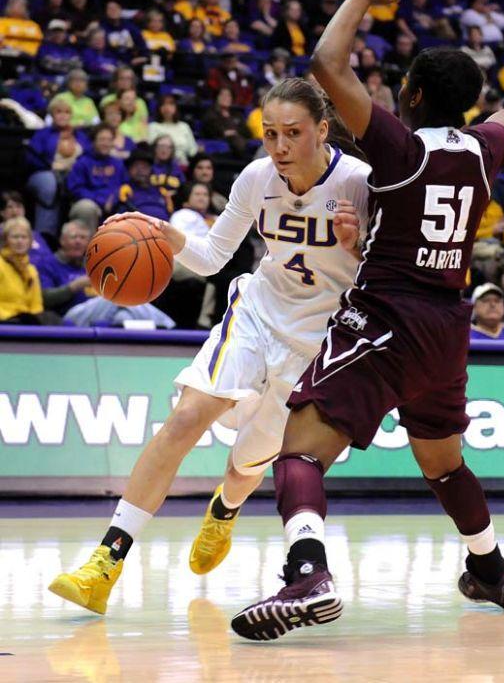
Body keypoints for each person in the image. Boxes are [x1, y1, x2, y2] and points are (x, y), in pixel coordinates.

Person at [228, 0, 504, 641]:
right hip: (447, 330)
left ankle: (308, 572)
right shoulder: (482, 149)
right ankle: (491, 567)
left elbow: (328, 64)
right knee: (443, 462)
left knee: (298, 453)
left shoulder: (401, 147)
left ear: (413, 95)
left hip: (385, 318)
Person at [48, 78, 371, 616]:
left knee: (248, 466)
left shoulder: (360, 183)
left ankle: (225, 510)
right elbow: (212, 258)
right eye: (270, 134)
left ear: (322, 129)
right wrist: (165, 236)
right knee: (185, 417)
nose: (280, 146)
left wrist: (356, 246)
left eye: (293, 133)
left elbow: (387, 278)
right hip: (258, 314)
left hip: (317, 341)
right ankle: (104, 563)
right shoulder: (257, 177)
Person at [26, 97, 90, 238]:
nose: (63, 115)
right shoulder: (42, 134)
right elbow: (31, 159)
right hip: (46, 173)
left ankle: (77, 238)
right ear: (52, 114)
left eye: (67, 112)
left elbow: (89, 157)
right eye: (58, 111)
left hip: (73, 174)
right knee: (50, 184)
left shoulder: (80, 136)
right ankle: (45, 237)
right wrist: (51, 166)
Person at [66, 124, 128, 233]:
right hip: (90, 204)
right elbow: (76, 189)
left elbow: (124, 185)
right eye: (102, 139)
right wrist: (102, 201)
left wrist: (113, 199)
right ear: (93, 141)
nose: (106, 143)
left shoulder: (118, 163)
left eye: (109, 140)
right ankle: (89, 248)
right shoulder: (82, 162)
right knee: (86, 208)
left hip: (114, 204)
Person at [0, 217, 43, 323]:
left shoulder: (31, 270)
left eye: (24, 237)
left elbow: (36, 306)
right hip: (4, 320)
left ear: (30, 241)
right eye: (15, 237)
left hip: (25, 320)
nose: (20, 241)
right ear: (6, 240)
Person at [148, 96, 198, 167]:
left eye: (170, 104)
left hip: (182, 165)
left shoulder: (184, 126)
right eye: (163, 105)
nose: (167, 108)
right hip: (159, 166)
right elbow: (151, 149)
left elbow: (193, 150)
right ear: (159, 108)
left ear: (175, 108)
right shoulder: (153, 126)